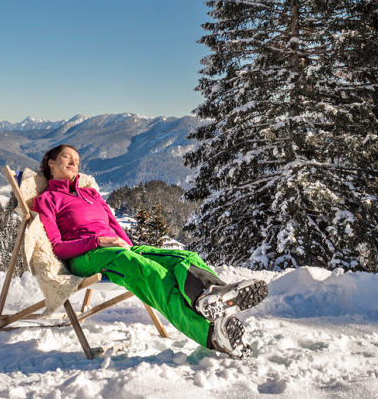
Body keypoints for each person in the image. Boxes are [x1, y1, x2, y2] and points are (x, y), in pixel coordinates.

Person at [32, 143, 267, 358]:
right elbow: (58, 247)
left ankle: (211, 294)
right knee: (148, 271)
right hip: (85, 256)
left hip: (118, 249)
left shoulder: (91, 194)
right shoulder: (48, 199)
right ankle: (210, 335)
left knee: (183, 257)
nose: (74, 163)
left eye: (77, 160)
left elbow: (114, 226)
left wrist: (133, 248)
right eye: (66, 158)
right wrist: (98, 242)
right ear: (50, 163)